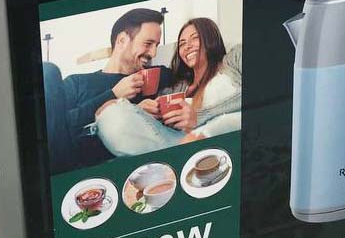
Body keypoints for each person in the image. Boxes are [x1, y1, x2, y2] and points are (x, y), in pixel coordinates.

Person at [96, 17, 241, 157]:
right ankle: (179, 156)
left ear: (211, 37)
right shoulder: (175, 88)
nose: (187, 46)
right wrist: (142, 111)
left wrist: (199, 116)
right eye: (182, 44)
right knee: (110, 111)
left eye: (195, 38)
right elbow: (157, 130)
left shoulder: (233, 59)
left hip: (223, 137)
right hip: (177, 143)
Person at [61, 8, 169, 166]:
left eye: (156, 45)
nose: (153, 53)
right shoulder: (76, 83)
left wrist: (139, 115)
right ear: (122, 40)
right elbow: (60, 127)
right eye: (148, 44)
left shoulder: (155, 76)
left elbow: (191, 72)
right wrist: (113, 94)